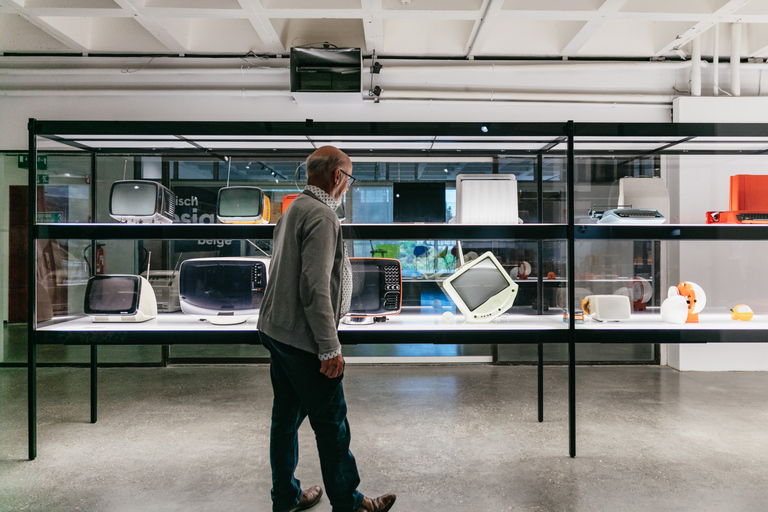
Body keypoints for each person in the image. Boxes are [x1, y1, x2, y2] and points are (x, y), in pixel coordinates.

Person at [257, 146, 396, 512]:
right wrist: (329, 347)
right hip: (303, 339)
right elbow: (314, 287)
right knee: (332, 423)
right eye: (348, 178)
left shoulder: (294, 209)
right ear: (337, 176)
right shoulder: (322, 216)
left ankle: (285, 497)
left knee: (285, 419)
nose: (348, 186)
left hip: (277, 329)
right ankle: (349, 503)